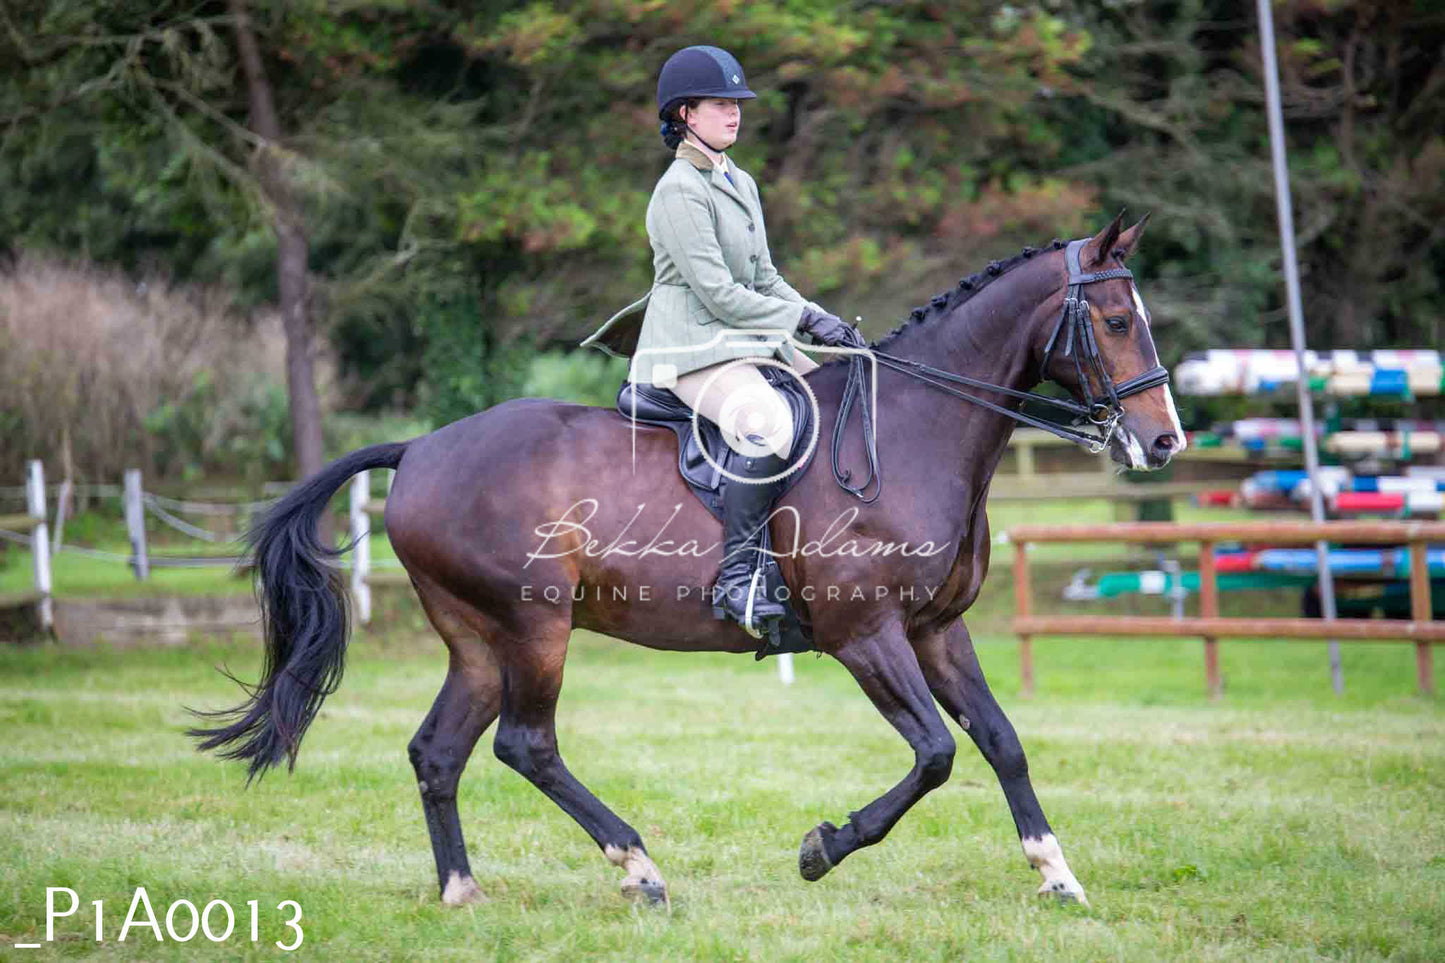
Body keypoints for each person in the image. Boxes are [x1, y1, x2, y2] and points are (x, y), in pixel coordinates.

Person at [581, 44, 861, 639]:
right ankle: (738, 579)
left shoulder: (741, 182)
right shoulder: (678, 191)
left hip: (742, 344)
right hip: (690, 350)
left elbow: (765, 279)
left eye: (736, 103)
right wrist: (803, 318)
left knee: (840, 399)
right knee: (770, 426)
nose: (734, 113)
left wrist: (822, 318)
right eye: (719, 104)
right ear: (685, 114)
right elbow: (719, 294)